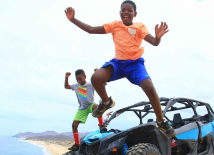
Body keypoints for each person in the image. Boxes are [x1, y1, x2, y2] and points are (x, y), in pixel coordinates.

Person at [64, 0, 174, 135]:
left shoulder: (140, 27)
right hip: (118, 64)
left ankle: (161, 121)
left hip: (135, 65)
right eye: (123, 10)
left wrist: (158, 37)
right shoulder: (115, 25)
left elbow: (154, 42)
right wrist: (73, 19)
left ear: (135, 13)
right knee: (96, 78)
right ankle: (106, 102)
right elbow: (91, 29)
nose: (126, 12)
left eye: (129, 10)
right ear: (120, 12)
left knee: (150, 88)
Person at [64, 69, 105, 151]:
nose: (79, 81)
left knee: (98, 107)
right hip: (82, 108)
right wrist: (66, 77)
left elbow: (103, 84)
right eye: (77, 79)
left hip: (90, 105)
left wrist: (98, 73)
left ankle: (102, 126)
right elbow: (66, 86)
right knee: (74, 125)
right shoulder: (76, 86)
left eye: (80, 79)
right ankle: (77, 144)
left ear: (85, 77)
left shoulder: (91, 84)